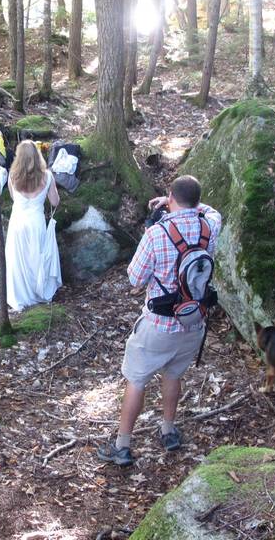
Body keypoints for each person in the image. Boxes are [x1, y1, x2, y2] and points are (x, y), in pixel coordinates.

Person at [97, 175, 222, 466]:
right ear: (196, 199)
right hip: (193, 323)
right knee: (173, 374)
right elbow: (213, 211)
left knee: (137, 379)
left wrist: (156, 220)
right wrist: (186, 203)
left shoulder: (157, 233)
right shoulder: (209, 225)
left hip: (158, 325)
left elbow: (134, 279)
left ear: (170, 197)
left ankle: (122, 445)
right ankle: (168, 430)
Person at [5, 140, 62, 311]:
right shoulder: (48, 176)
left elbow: (14, 198)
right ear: (38, 156)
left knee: (18, 261)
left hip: (18, 223)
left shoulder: (12, 176)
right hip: (36, 223)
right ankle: (37, 293)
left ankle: (21, 296)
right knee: (37, 259)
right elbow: (55, 201)